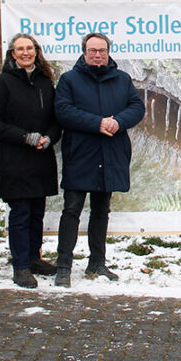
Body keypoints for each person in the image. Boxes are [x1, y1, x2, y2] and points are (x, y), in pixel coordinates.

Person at [54, 33, 145, 287]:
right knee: (71, 210)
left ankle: (97, 262)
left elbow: (137, 107)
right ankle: (63, 266)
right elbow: (63, 111)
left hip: (110, 153)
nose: (97, 55)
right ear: (84, 52)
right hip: (80, 154)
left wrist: (118, 122)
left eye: (102, 51)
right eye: (92, 50)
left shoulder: (122, 79)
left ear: (108, 52)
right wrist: (98, 123)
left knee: (101, 211)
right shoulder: (69, 80)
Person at [0, 33, 62, 288]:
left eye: (30, 48)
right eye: (20, 49)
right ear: (12, 54)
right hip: (15, 159)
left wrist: (49, 138)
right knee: (20, 213)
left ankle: (34, 258)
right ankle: (20, 266)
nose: (26, 53)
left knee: (37, 212)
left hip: (41, 158)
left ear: (36, 52)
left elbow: (55, 120)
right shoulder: (3, 82)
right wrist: (25, 137)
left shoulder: (45, 82)